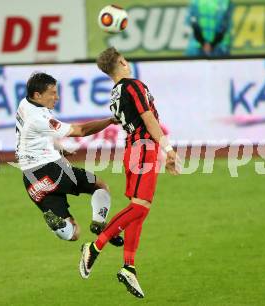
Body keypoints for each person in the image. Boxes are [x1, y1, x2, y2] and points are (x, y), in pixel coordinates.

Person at [79, 47, 179, 298]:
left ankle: (129, 267)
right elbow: (148, 118)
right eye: (125, 60)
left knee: (139, 210)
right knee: (139, 207)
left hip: (134, 149)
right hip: (143, 148)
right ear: (122, 62)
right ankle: (95, 246)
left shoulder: (115, 93)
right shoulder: (133, 86)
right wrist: (168, 148)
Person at [16, 72, 123, 246]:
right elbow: (80, 131)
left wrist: (58, 149)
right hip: (51, 169)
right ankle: (99, 223)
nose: (56, 97)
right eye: (52, 93)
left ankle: (57, 224)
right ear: (37, 95)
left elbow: (31, 137)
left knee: (73, 233)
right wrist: (110, 120)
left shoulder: (24, 105)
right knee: (99, 186)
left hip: (31, 179)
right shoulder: (40, 118)